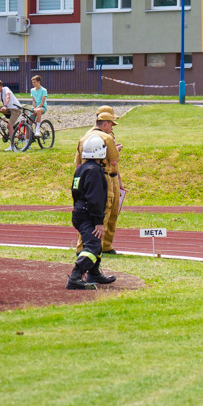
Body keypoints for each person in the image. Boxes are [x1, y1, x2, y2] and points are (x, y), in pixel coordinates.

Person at [67, 135, 116, 289]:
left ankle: (94, 272)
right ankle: (75, 276)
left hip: (80, 212)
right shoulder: (95, 171)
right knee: (93, 246)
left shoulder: (81, 168)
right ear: (100, 153)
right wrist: (98, 222)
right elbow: (95, 199)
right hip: (88, 215)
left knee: (96, 243)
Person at [75, 109, 122, 258]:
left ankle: (99, 246)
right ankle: (89, 248)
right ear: (105, 123)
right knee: (103, 212)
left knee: (93, 212)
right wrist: (116, 150)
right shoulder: (105, 138)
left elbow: (78, 165)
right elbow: (114, 160)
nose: (112, 128)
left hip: (89, 176)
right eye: (111, 124)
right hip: (103, 176)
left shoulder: (84, 138)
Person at [0, 79, 22, 151]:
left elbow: (8, 97)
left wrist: (5, 105)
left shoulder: (6, 89)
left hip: (15, 109)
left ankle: (12, 145)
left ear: (1, 86)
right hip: (7, 109)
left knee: (9, 125)